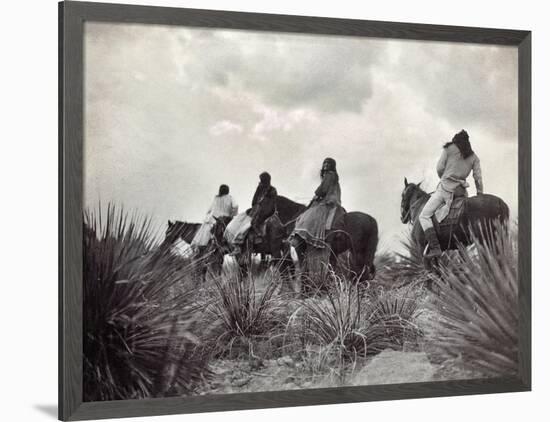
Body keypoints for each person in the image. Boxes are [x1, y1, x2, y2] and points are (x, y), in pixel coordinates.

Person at [419, 129, 484, 258]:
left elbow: (439, 168)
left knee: (424, 216)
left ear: (456, 140)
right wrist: (480, 194)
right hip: (461, 191)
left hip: (445, 190)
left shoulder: (448, 149)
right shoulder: (474, 157)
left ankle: (435, 247)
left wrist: (445, 177)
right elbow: (478, 178)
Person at [291, 157, 343, 249]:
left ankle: (311, 236)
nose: (326, 165)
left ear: (332, 166)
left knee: (311, 214)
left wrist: (317, 195)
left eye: (328, 164)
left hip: (328, 200)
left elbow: (323, 188)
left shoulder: (329, 175)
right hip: (330, 199)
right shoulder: (333, 176)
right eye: (324, 163)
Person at [227, 172, 277, 255]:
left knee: (247, 224)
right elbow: (255, 202)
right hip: (263, 211)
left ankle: (239, 243)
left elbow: (255, 202)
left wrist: (258, 208)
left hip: (264, 211)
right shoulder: (270, 189)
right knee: (247, 222)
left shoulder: (266, 189)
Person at [190, 184, 238, 250]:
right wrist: (232, 215)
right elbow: (236, 206)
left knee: (205, 231)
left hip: (213, 218)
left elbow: (209, 209)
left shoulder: (216, 198)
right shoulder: (230, 198)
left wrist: (208, 215)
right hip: (225, 219)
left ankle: (204, 245)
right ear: (228, 190)